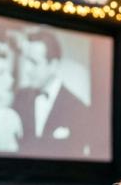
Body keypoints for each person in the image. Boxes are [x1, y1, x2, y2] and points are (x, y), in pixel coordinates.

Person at [10, 27, 95, 158]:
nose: (27, 69)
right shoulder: (19, 98)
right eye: (26, 61)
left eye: (34, 62)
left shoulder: (78, 108)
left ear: (53, 65)